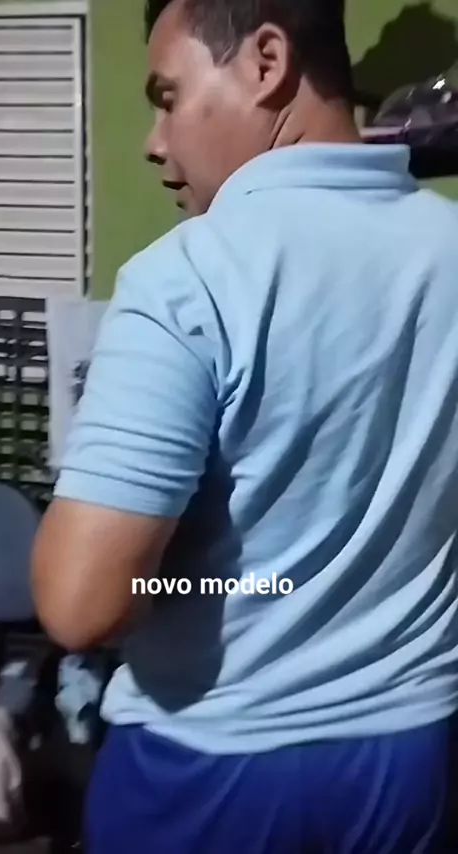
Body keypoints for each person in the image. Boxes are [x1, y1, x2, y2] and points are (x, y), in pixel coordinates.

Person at [32, 0, 458, 851]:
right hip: (418, 759)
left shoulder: (189, 277)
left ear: (267, 62)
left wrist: (197, 586)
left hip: (214, 765)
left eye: (168, 96)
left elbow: (83, 606)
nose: (155, 141)